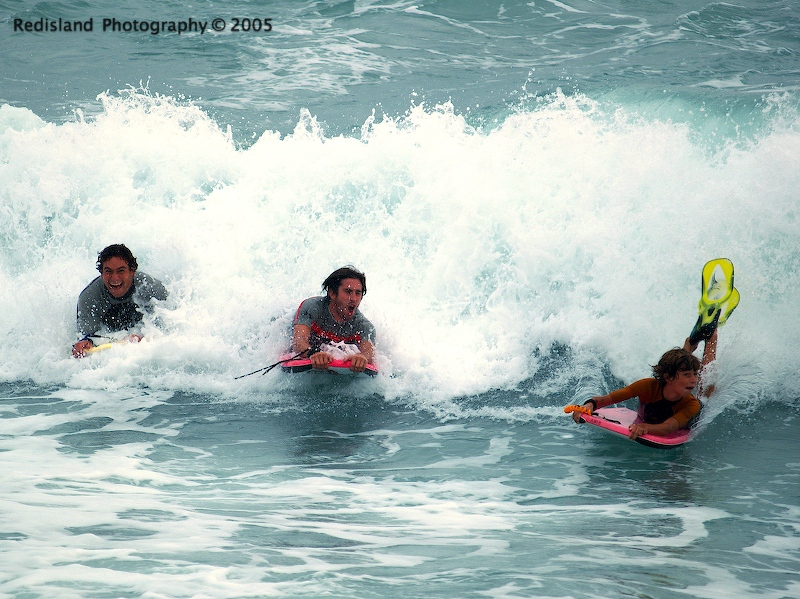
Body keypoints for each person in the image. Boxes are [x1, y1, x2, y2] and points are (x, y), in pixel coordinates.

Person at [569, 331, 718, 440]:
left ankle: (711, 340)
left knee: (705, 393)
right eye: (687, 375)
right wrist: (589, 406)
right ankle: (688, 347)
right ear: (667, 377)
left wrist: (644, 427)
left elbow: (668, 427)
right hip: (666, 394)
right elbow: (603, 400)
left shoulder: (691, 405)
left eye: (694, 374)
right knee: (684, 366)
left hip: (691, 416)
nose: (693, 379)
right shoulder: (647, 387)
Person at [71, 244, 168, 358]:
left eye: (121, 271)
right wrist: (83, 345)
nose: (115, 278)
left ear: (132, 271)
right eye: (108, 271)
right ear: (101, 273)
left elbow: (165, 328)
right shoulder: (89, 298)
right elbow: (87, 337)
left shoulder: (151, 288)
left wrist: (143, 336)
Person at [292, 266, 375, 373]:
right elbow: (298, 342)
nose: (354, 298)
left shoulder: (364, 326)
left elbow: (369, 352)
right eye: (348, 291)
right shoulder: (312, 308)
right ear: (332, 293)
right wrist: (313, 354)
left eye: (358, 293)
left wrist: (362, 358)